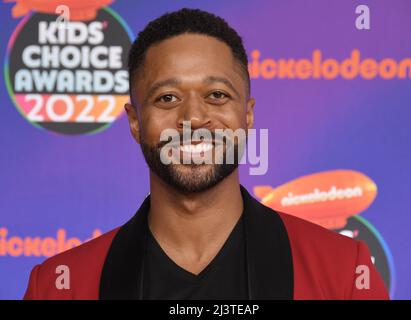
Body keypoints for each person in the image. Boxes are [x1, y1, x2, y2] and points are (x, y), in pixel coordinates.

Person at [23, 8, 389, 300]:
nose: (194, 118)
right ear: (135, 122)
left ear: (247, 115)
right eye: (167, 98)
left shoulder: (344, 273)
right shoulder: (58, 287)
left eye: (217, 95)